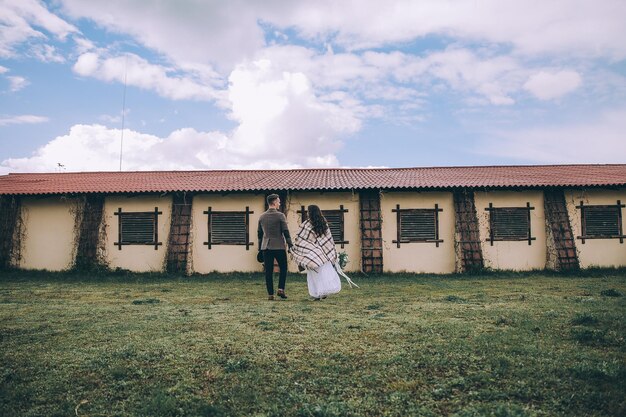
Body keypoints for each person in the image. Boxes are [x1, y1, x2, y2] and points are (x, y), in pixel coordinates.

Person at [290, 205, 341, 300]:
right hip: (322, 254)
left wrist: (296, 249)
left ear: (310, 213)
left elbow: (300, 239)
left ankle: (317, 294)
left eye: (308, 211)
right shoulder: (323, 222)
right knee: (323, 274)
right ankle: (322, 292)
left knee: (314, 275)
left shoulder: (306, 224)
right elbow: (328, 239)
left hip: (312, 254)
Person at [258, 194, 293, 300]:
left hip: (266, 247)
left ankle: (270, 294)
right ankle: (280, 289)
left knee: (268, 271)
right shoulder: (280, 215)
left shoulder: (262, 216)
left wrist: (260, 248)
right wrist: (290, 244)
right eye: (278, 201)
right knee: (283, 268)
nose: (279, 203)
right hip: (278, 246)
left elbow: (259, 234)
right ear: (273, 203)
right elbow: (285, 231)